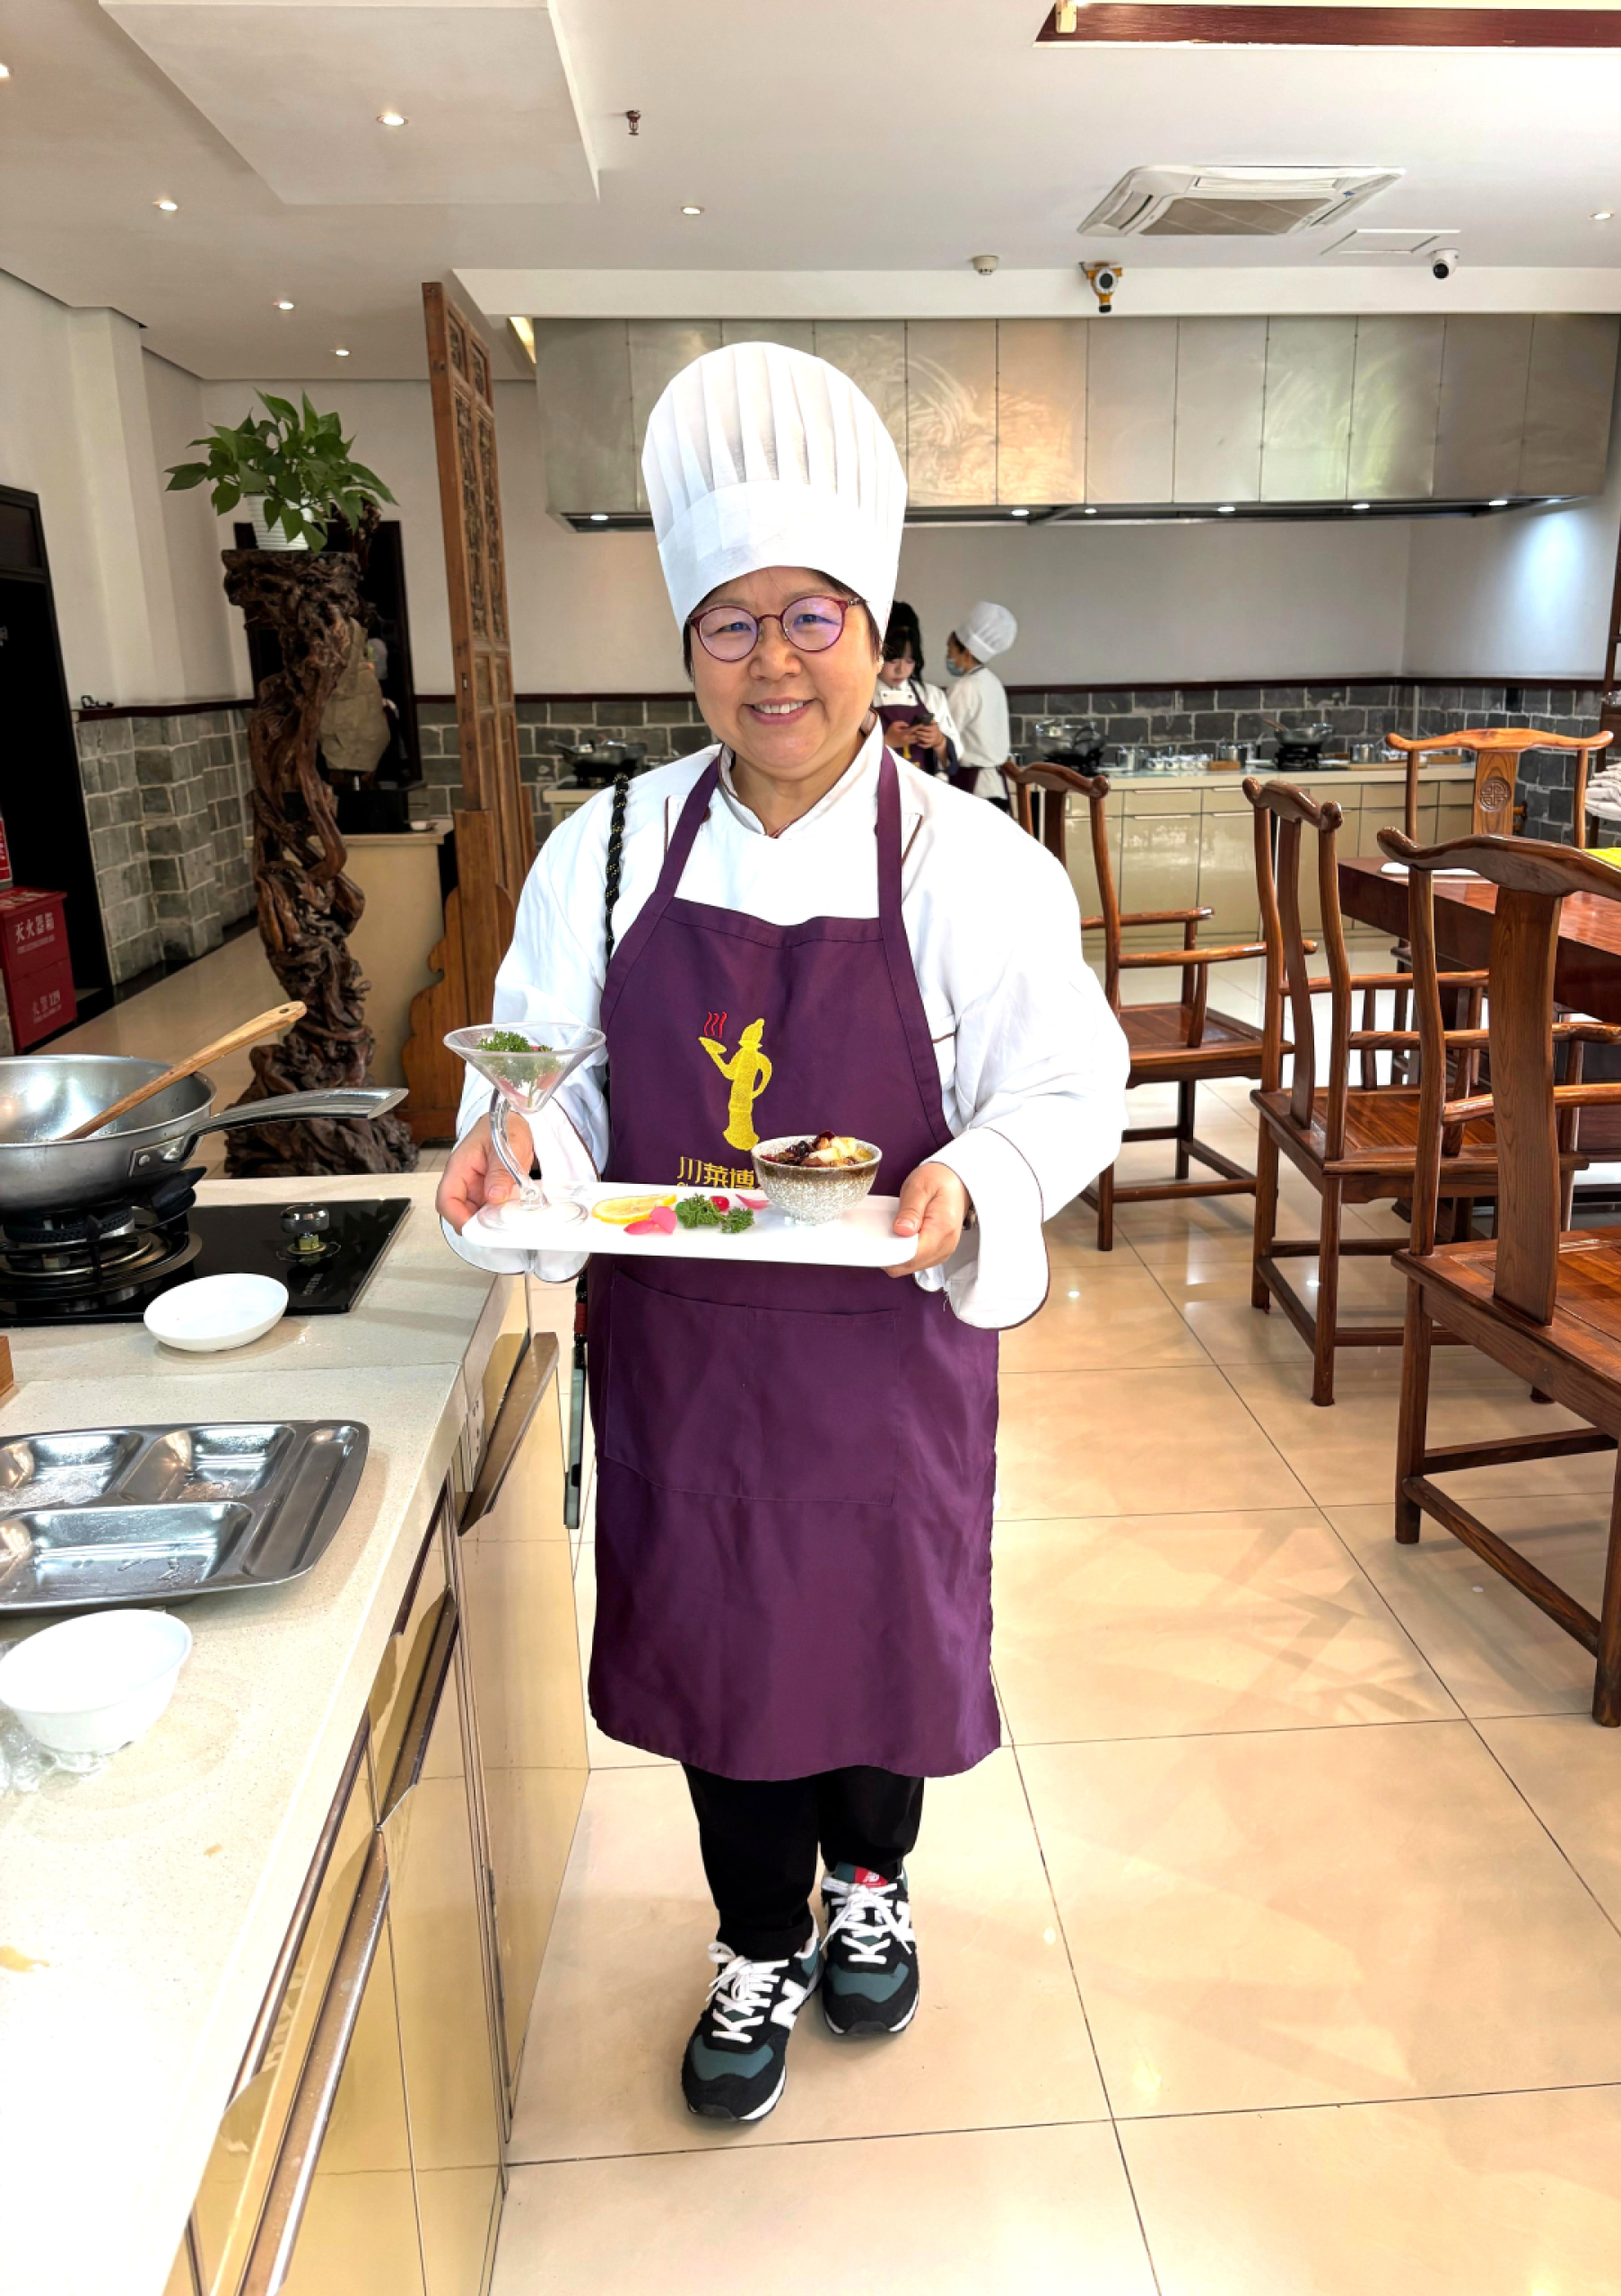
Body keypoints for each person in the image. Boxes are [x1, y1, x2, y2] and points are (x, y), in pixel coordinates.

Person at [435, 342, 1126, 2126]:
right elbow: (558, 1087)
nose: (774, 661)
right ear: (689, 651)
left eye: (811, 616)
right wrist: (520, 1150)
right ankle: (757, 1936)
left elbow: (1068, 1084)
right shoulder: (606, 851)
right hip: (687, 1364)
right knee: (727, 1660)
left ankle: (871, 1884)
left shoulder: (973, 865)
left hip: (890, 1356)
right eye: (730, 624)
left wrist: (982, 1175)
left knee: (885, 1642)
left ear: (876, 637)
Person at [875, 600, 961, 778]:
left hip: (922, 792)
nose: (901, 670)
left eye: (909, 660)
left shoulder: (931, 696)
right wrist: (885, 743)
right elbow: (842, 757)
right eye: (893, 659)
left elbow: (955, 754)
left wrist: (939, 741)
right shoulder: (860, 696)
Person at [945, 602, 1018, 809]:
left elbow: (946, 735)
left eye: (951, 650)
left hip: (973, 787)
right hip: (996, 787)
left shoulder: (964, 688)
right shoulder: (993, 682)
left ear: (966, 653)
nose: (948, 657)